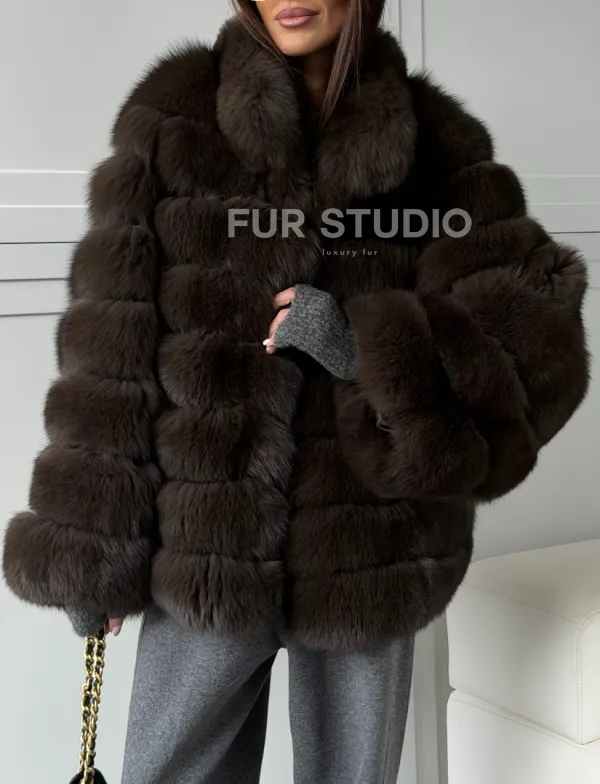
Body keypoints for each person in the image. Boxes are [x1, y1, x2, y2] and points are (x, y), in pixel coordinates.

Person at [2, 1, 590, 782]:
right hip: (203, 549)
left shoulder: (439, 144)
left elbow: (537, 343)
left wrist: (365, 347)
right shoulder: (173, 119)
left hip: (371, 553)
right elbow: (109, 353)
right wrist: (91, 549)